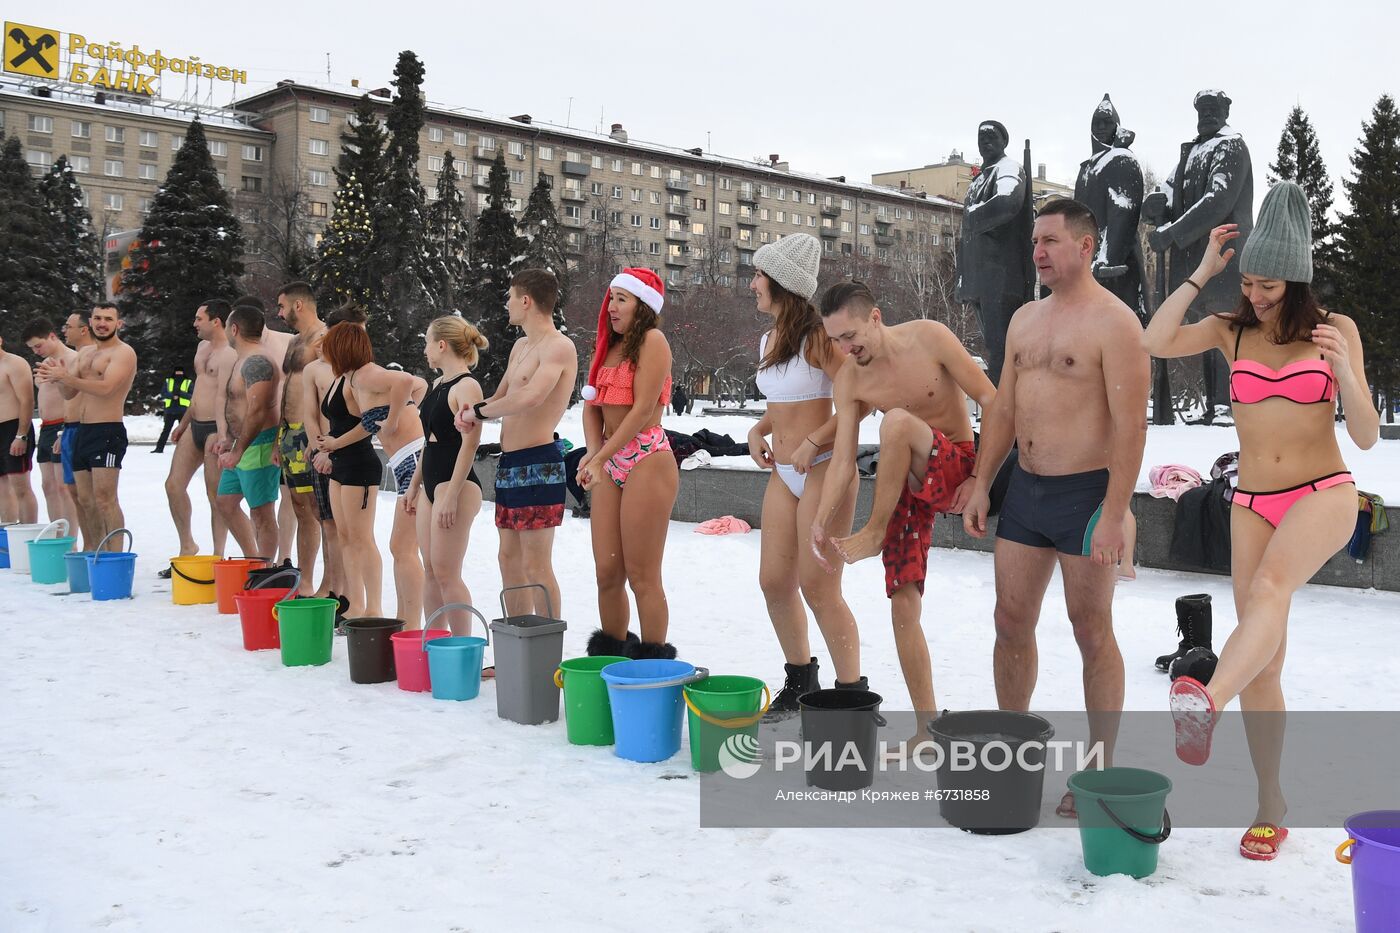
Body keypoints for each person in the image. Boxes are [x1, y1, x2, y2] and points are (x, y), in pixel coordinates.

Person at [1143, 182, 1378, 860]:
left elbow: (1363, 435)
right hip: (1251, 500)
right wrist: (1203, 272)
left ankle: (1206, 700)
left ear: (1296, 276)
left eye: (1268, 282)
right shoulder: (1232, 327)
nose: (1256, 293)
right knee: (1266, 662)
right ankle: (1270, 801)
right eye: (1248, 280)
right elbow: (1155, 339)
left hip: (1324, 490)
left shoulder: (1337, 331)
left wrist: (1348, 374)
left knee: (1270, 593)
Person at [963, 198, 1149, 815]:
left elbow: (1131, 427)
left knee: (1090, 628)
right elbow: (1005, 410)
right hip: (1028, 491)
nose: (1037, 251)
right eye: (1035, 242)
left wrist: (1116, 510)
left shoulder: (1115, 324)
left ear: (1085, 245)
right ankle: (1012, 753)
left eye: (1049, 240)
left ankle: (1099, 767)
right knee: (1009, 621)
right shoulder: (1023, 320)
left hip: (1086, 495)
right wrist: (983, 479)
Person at [807, 281, 994, 745]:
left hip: (956, 465)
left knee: (895, 422)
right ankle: (926, 727)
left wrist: (981, 481)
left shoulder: (930, 337)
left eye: (850, 335)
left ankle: (874, 530)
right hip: (907, 481)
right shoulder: (851, 378)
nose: (845, 348)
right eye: (835, 340)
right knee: (903, 605)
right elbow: (845, 460)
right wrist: (821, 517)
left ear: (875, 317)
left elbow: (993, 402)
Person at [742, 234, 862, 715]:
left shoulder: (820, 338)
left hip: (825, 469)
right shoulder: (770, 339)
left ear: (781, 284)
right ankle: (801, 679)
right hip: (785, 473)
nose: (752, 285)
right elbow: (785, 404)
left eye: (758, 276)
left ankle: (852, 693)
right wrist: (758, 429)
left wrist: (815, 441)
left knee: (819, 586)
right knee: (774, 581)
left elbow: (858, 400)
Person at [456, 268, 577, 622]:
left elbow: (531, 397)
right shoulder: (521, 346)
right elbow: (502, 397)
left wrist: (478, 411)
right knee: (507, 559)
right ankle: (519, 643)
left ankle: (547, 653)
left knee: (536, 565)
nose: (507, 303)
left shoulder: (559, 346)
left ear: (526, 301)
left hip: (539, 463)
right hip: (510, 464)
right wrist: (471, 413)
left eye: (510, 297)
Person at [577, 269, 679, 660]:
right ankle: (611, 658)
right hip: (608, 458)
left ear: (642, 305)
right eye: (611, 297)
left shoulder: (653, 341)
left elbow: (640, 412)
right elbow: (591, 408)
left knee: (642, 575)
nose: (612, 306)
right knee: (607, 572)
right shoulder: (605, 346)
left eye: (623, 298)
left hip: (647, 458)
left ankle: (653, 667)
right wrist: (592, 452)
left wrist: (601, 456)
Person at [322, 311, 429, 626]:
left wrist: (396, 418)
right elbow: (418, 388)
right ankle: (405, 621)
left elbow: (409, 381)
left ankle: (409, 624)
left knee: (403, 548)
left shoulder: (367, 374)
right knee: (401, 547)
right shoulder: (355, 379)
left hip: (412, 458)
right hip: (402, 463)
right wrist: (406, 410)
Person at [404, 316, 488, 635]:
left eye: (427, 342)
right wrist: (414, 485)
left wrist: (451, 494)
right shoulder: (438, 385)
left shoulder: (467, 386)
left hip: (458, 485)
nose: (425, 349)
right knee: (430, 571)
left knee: (447, 572)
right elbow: (430, 440)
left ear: (442, 345)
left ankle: (463, 649)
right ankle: (435, 643)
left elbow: (471, 442)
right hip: (431, 483)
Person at [36, 303, 137, 550]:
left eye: (108, 319)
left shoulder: (123, 353)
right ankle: (95, 550)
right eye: (98, 318)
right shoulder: (85, 354)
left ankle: (115, 555)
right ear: (90, 322)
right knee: (85, 499)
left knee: (105, 499)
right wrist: (57, 377)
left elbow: (107, 388)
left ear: (118, 324)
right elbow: (70, 393)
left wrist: (67, 378)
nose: (103, 323)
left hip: (107, 430)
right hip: (82, 431)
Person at [162, 301, 250, 565]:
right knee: (173, 486)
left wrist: (225, 435)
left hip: (215, 427)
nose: (195, 323)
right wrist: (184, 422)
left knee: (216, 495)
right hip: (195, 424)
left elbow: (225, 396)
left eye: (200, 319)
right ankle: (187, 544)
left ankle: (218, 554)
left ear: (216, 321)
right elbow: (200, 390)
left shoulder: (229, 354)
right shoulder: (202, 348)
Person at [314, 321, 385, 620]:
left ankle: (374, 607)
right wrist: (329, 448)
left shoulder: (361, 380)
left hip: (360, 466)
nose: (320, 348)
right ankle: (353, 602)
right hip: (340, 466)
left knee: (361, 537)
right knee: (344, 536)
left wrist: (335, 443)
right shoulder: (340, 377)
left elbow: (371, 423)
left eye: (327, 344)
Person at [275, 282, 329, 596]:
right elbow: (288, 387)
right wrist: (278, 437)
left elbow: (328, 390)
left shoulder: (324, 337)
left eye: (282, 307)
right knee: (299, 508)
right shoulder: (296, 340)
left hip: (309, 434)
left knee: (318, 510)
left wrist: (319, 437)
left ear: (298, 305)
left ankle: (326, 583)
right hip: (289, 434)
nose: (279, 313)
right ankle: (304, 578)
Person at [214, 306, 281, 560]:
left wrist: (238, 450)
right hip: (241, 445)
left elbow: (257, 410)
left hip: (258, 445)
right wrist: (230, 441)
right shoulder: (243, 359)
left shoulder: (257, 362)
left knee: (262, 513)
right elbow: (240, 407)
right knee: (226, 502)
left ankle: (263, 570)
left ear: (234, 329)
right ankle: (253, 559)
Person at [300, 326, 347, 602]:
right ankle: (333, 589)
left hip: (345, 450)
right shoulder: (313, 370)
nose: (319, 346)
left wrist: (333, 448)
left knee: (348, 528)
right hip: (322, 450)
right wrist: (318, 447)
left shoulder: (353, 369)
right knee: (328, 521)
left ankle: (348, 593)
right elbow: (310, 413)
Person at [21, 319, 78, 530]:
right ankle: (57, 533)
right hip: (46, 426)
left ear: (52, 337)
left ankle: (69, 538)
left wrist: (66, 429)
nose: (36, 351)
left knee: (64, 486)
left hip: (62, 424)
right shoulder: (45, 363)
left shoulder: (72, 359)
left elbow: (75, 396)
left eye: (38, 345)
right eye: (32, 348)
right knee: (48, 486)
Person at [57, 312, 97, 547]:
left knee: (91, 496)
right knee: (75, 494)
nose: (65, 330)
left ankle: (97, 543)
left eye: (68, 326)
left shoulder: (92, 355)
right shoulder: (74, 357)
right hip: (70, 429)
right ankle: (88, 542)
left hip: (86, 428)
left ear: (83, 329)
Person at [0, 332, 38, 523]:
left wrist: (21, 435)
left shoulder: (14, 363)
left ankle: (26, 535)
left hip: (13, 427)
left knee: (20, 486)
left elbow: (27, 400)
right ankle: (7, 536)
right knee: (1, 487)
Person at [152, 365, 192, 453]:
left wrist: (180, 394)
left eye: (180, 372)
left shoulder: (188, 382)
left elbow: (191, 395)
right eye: (177, 372)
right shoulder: (168, 381)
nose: (178, 374)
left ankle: (186, 450)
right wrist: (172, 396)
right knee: (166, 430)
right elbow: (163, 393)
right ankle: (159, 448)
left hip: (183, 410)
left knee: (184, 432)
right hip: (170, 410)